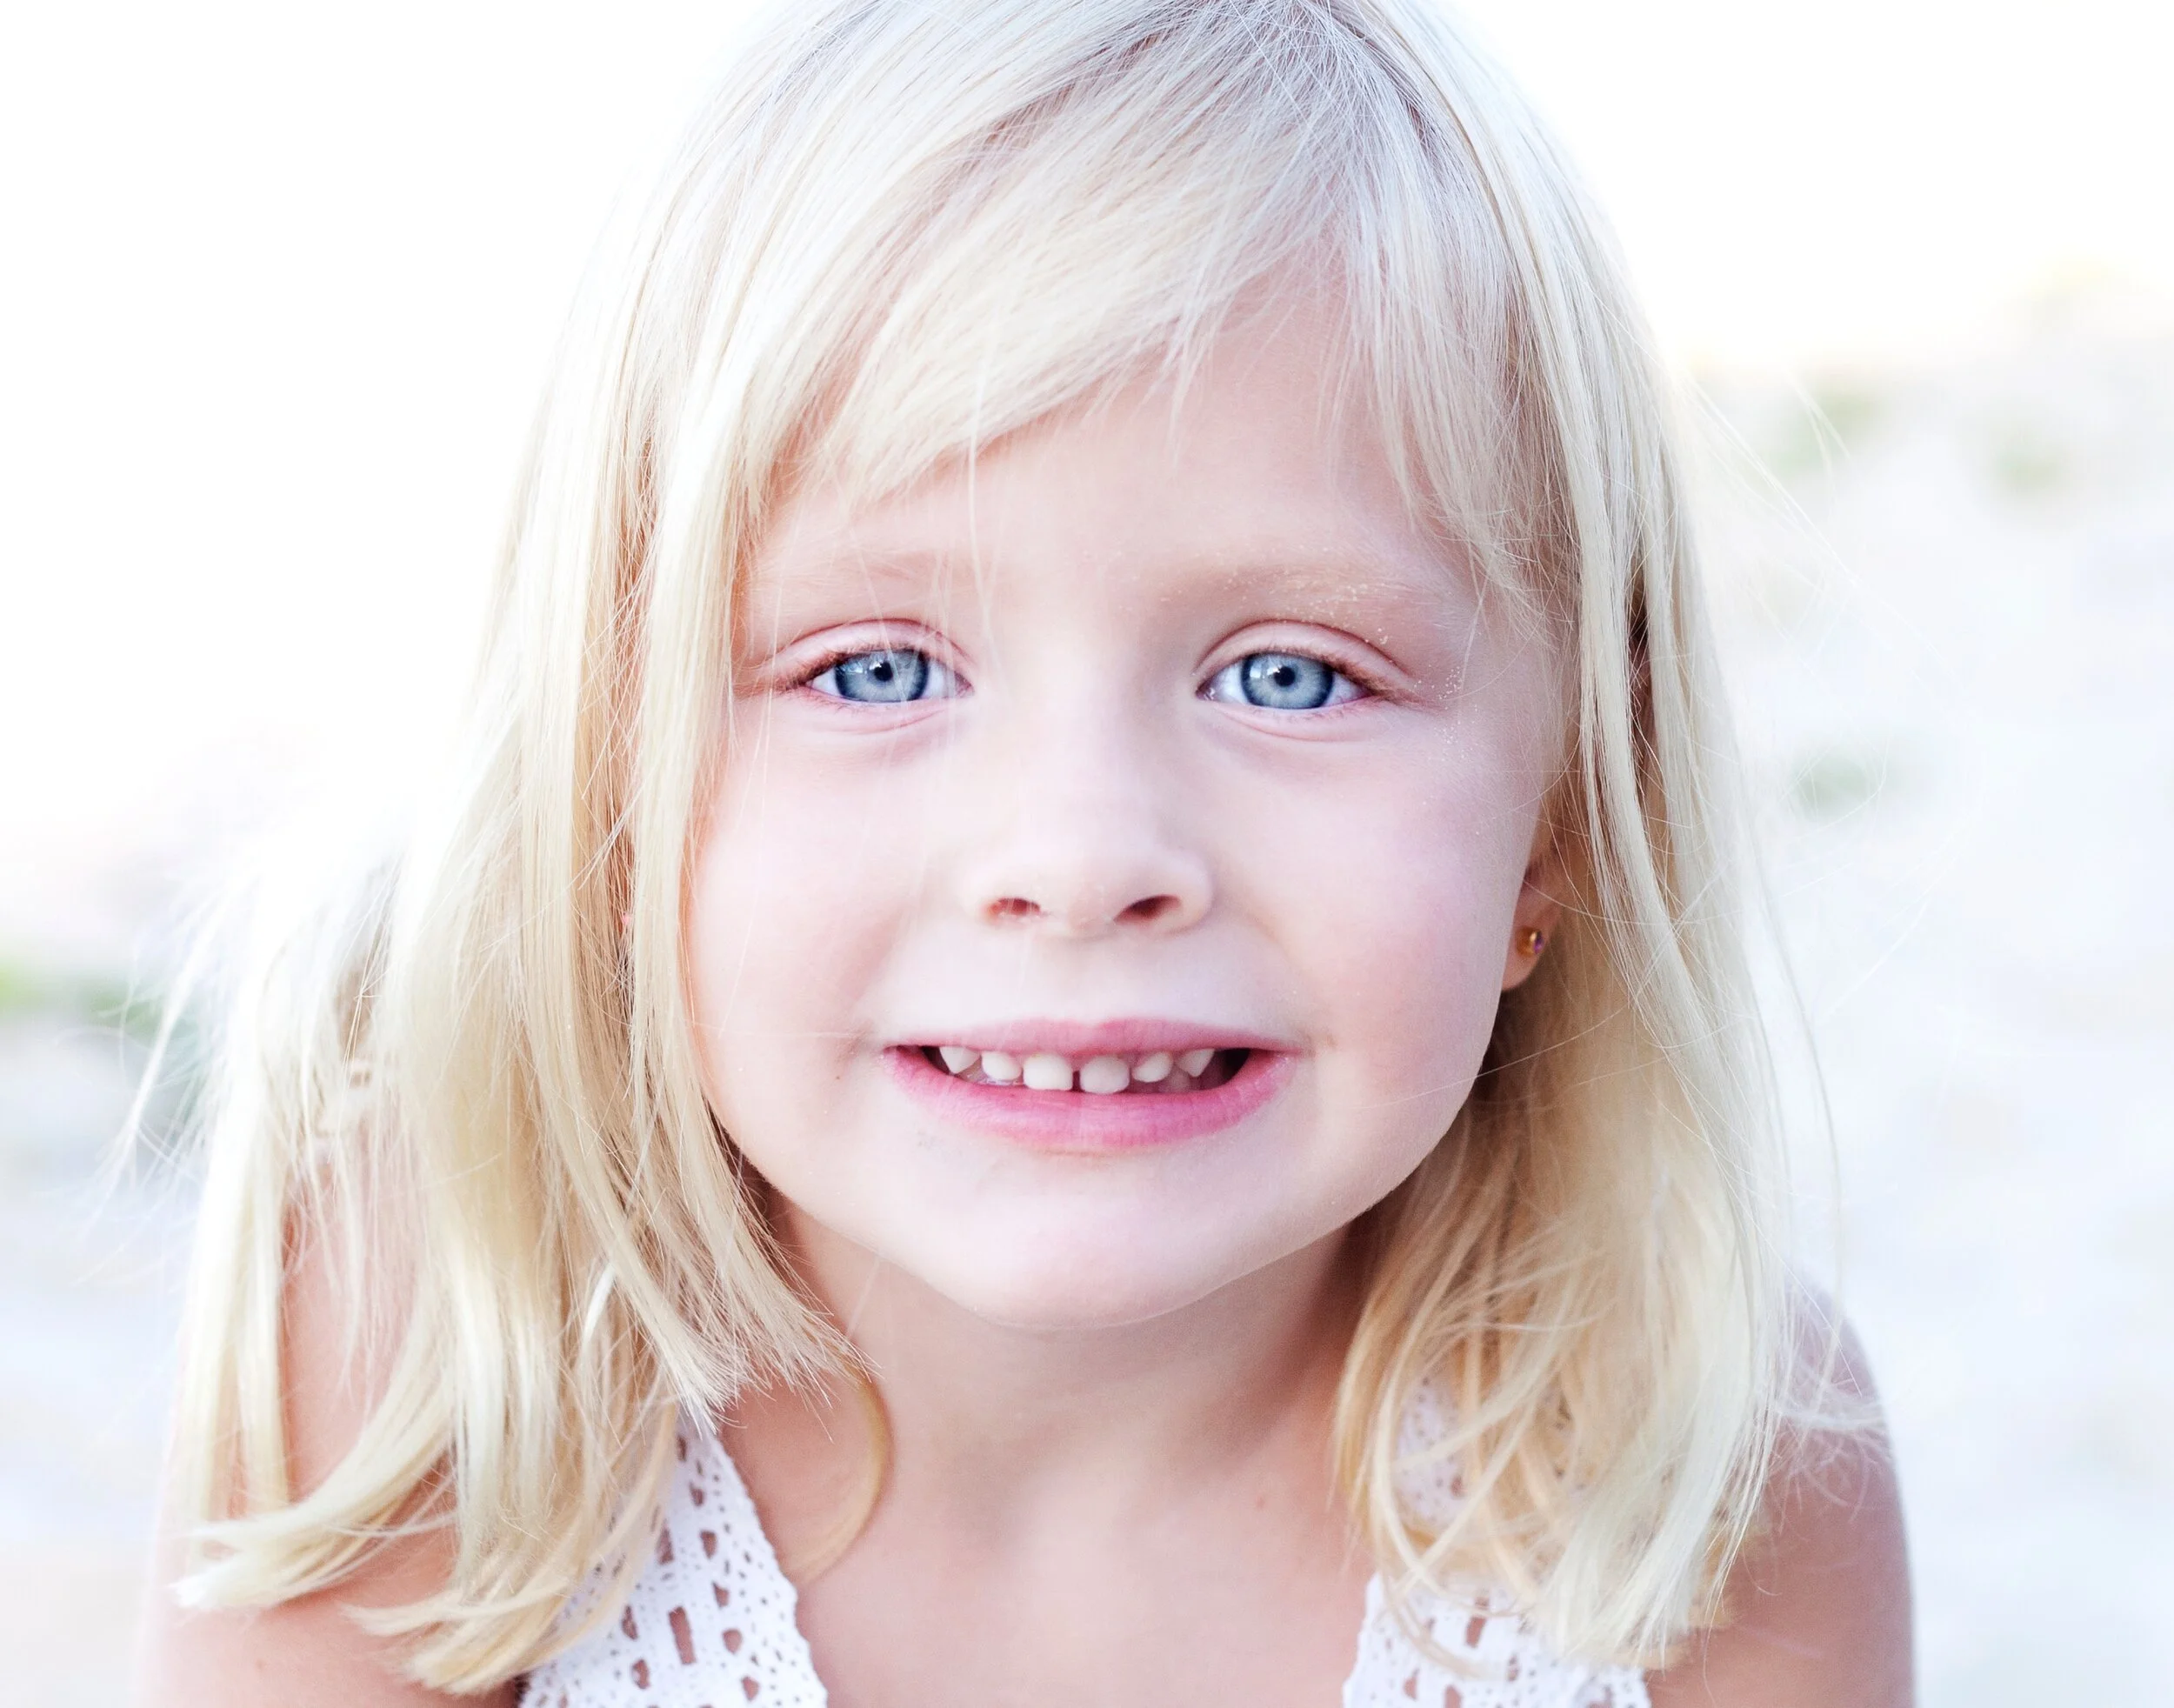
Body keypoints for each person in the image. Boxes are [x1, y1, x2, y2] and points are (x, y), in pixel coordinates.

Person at [133, 2, 1912, 1703]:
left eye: (1288, 675)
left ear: (1568, 809)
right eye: (877, 667)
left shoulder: (1701, 1462)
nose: (1077, 858)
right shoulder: (448, 1357)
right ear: (612, 769)